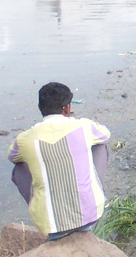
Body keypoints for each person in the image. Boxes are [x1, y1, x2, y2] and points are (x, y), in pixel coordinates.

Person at [7, 82, 110, 239]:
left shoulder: (24, 138)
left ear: (41, 108)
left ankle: (43, 207)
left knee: (19, 166)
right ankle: (93, 193)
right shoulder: (84, 127)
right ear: (67, 108)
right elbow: (105, 134)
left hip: (48, 222)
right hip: (89, 214)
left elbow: (12, 156)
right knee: (100, 146)